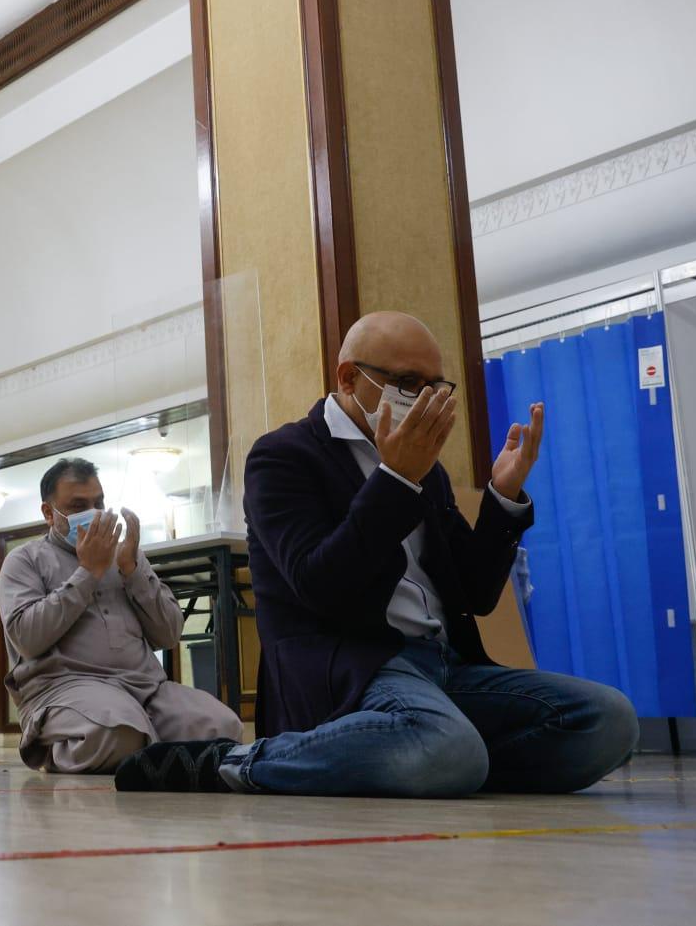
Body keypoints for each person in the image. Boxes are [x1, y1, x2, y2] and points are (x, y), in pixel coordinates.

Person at [117, 312, 638, 797]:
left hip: (443, 665)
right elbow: (321, 585)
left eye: (436, 386)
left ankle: (443, 761)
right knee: (445, 746)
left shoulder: (427, 470)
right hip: (353, 666)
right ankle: (234, 762)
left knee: (607, 720)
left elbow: (477, 593)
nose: (425, 399)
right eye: (409, 383)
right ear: (349, 378)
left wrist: (502, 498)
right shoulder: (284, 456)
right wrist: (395, 480)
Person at [0, 457, 243, 773]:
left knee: (223, 727)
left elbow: (169, 634)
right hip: (66, 688)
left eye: (98, 503)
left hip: (147, 688)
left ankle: (145, 743)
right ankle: (58, 748)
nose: (94, 513)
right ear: (48, 512)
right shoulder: (24, 561)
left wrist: (132, 570)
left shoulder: (125, 555)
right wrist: (88, 572)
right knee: (118, 733)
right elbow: (27, 639)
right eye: (78, 506)